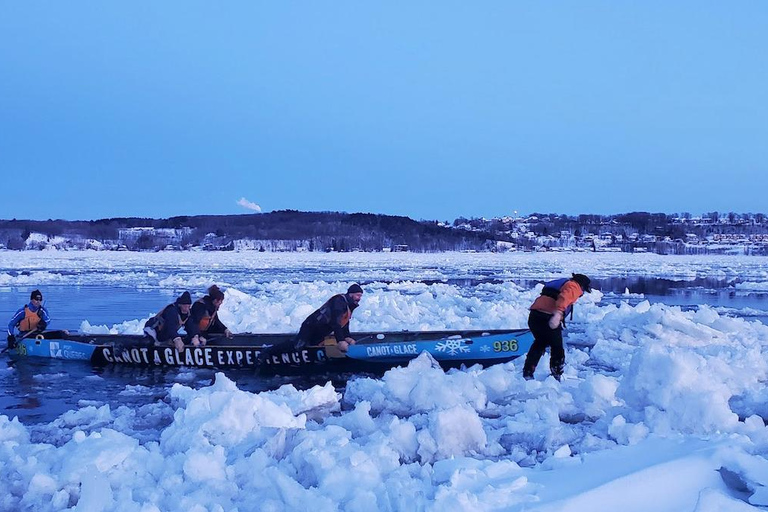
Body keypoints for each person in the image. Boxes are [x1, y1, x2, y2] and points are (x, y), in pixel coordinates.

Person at [522, 273, 592, 381]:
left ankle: (528, 372)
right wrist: (558, 313)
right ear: (582, 285)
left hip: (534, 317)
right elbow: (564, 297)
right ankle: (556, 374)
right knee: (557, 348)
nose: (582, 294)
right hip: (548, 317)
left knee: (540, 343)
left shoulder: (564, 283)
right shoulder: (574, 286)